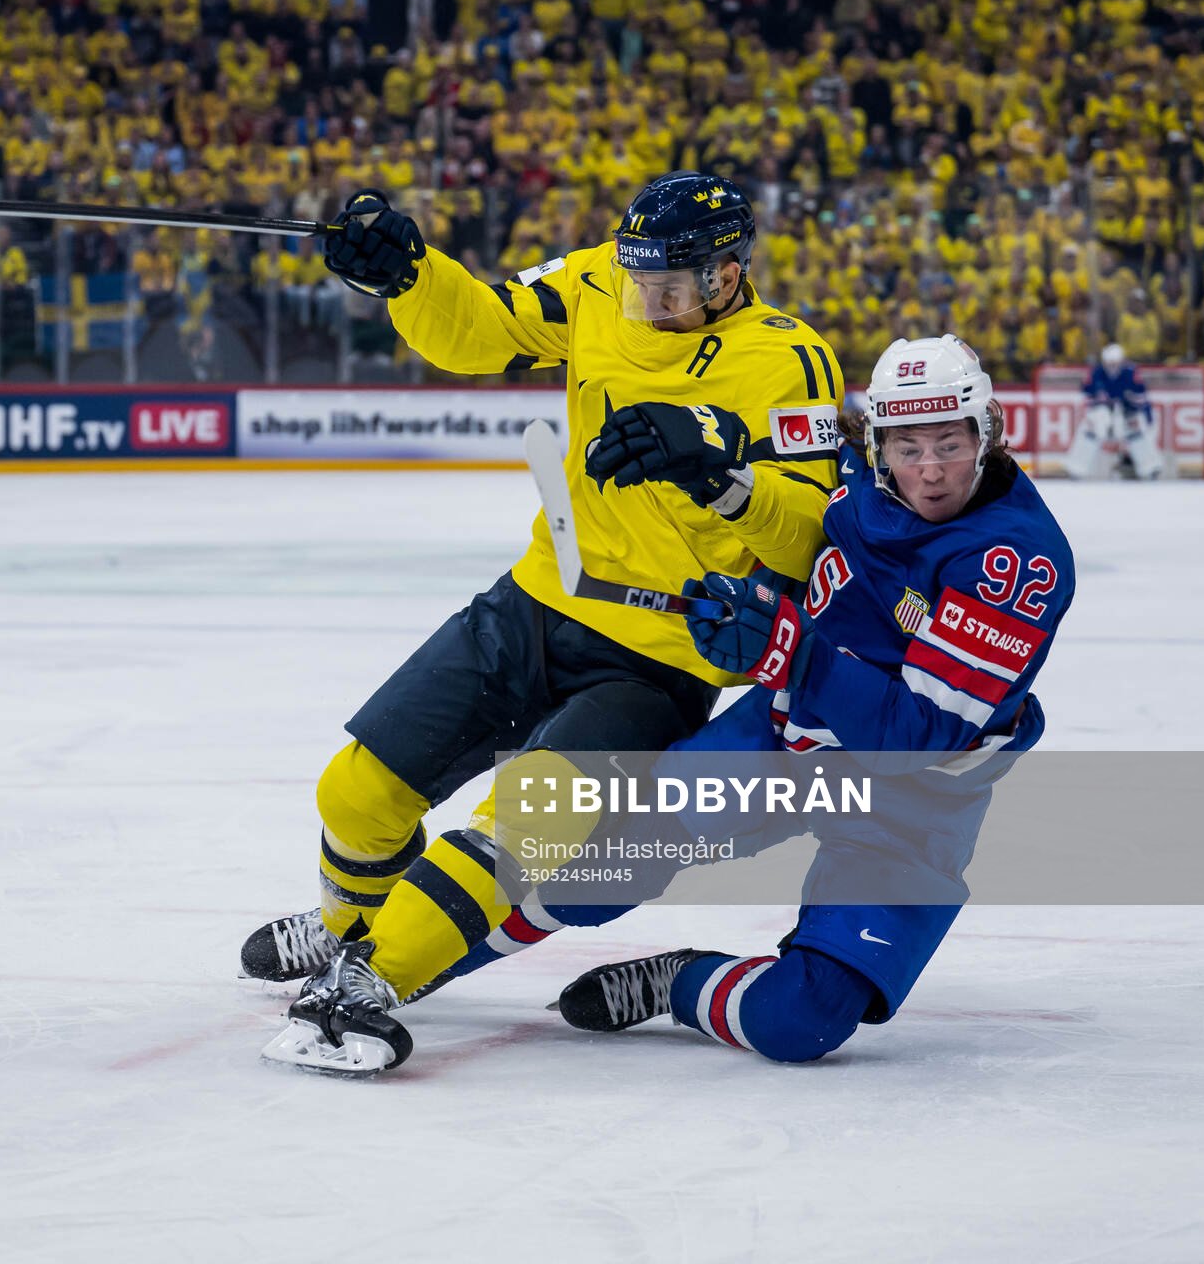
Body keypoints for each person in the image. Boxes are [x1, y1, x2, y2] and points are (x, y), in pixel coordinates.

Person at [273, 334, 1074, 1072]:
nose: (929, 469)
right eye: (909, 447)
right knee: (588, 872)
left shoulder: (1015, 562)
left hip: (912, 797)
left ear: (987, 435)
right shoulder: (856, 480)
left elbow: (918, 736)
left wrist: (785, 647)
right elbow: (784, 524)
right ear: (878, 446)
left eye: (949, 445)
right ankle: (382, 959)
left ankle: (675, 983)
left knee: (802, 1022)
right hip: (781, 742)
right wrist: (716, 478)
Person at [242, 172, 847, 1012]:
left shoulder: (790, 360)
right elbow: (483, 331)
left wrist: (721, 476)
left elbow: (813, 537)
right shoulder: (599, 281)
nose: (646, 302)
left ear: (727, 276)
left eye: (669, 288)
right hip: (536, 602)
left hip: (661, 652)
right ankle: (348, 927)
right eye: (640, 281)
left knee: (528, 822)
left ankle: (372, 977)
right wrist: (409, 275)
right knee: (356, 789)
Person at [1065, 342, 1160, 480]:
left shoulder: (1131, 373)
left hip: (1128, 412)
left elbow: (1141, 399)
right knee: (1090, 429)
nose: (1112, 367)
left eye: (1115, 363)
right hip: (1103, 413)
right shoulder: (1097, 373)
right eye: (1109, 363)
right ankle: (1076, 468)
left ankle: (1150, 468)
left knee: (1138, 432)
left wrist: (1139, 410)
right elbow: (1086, 394)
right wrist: (1100, 400)